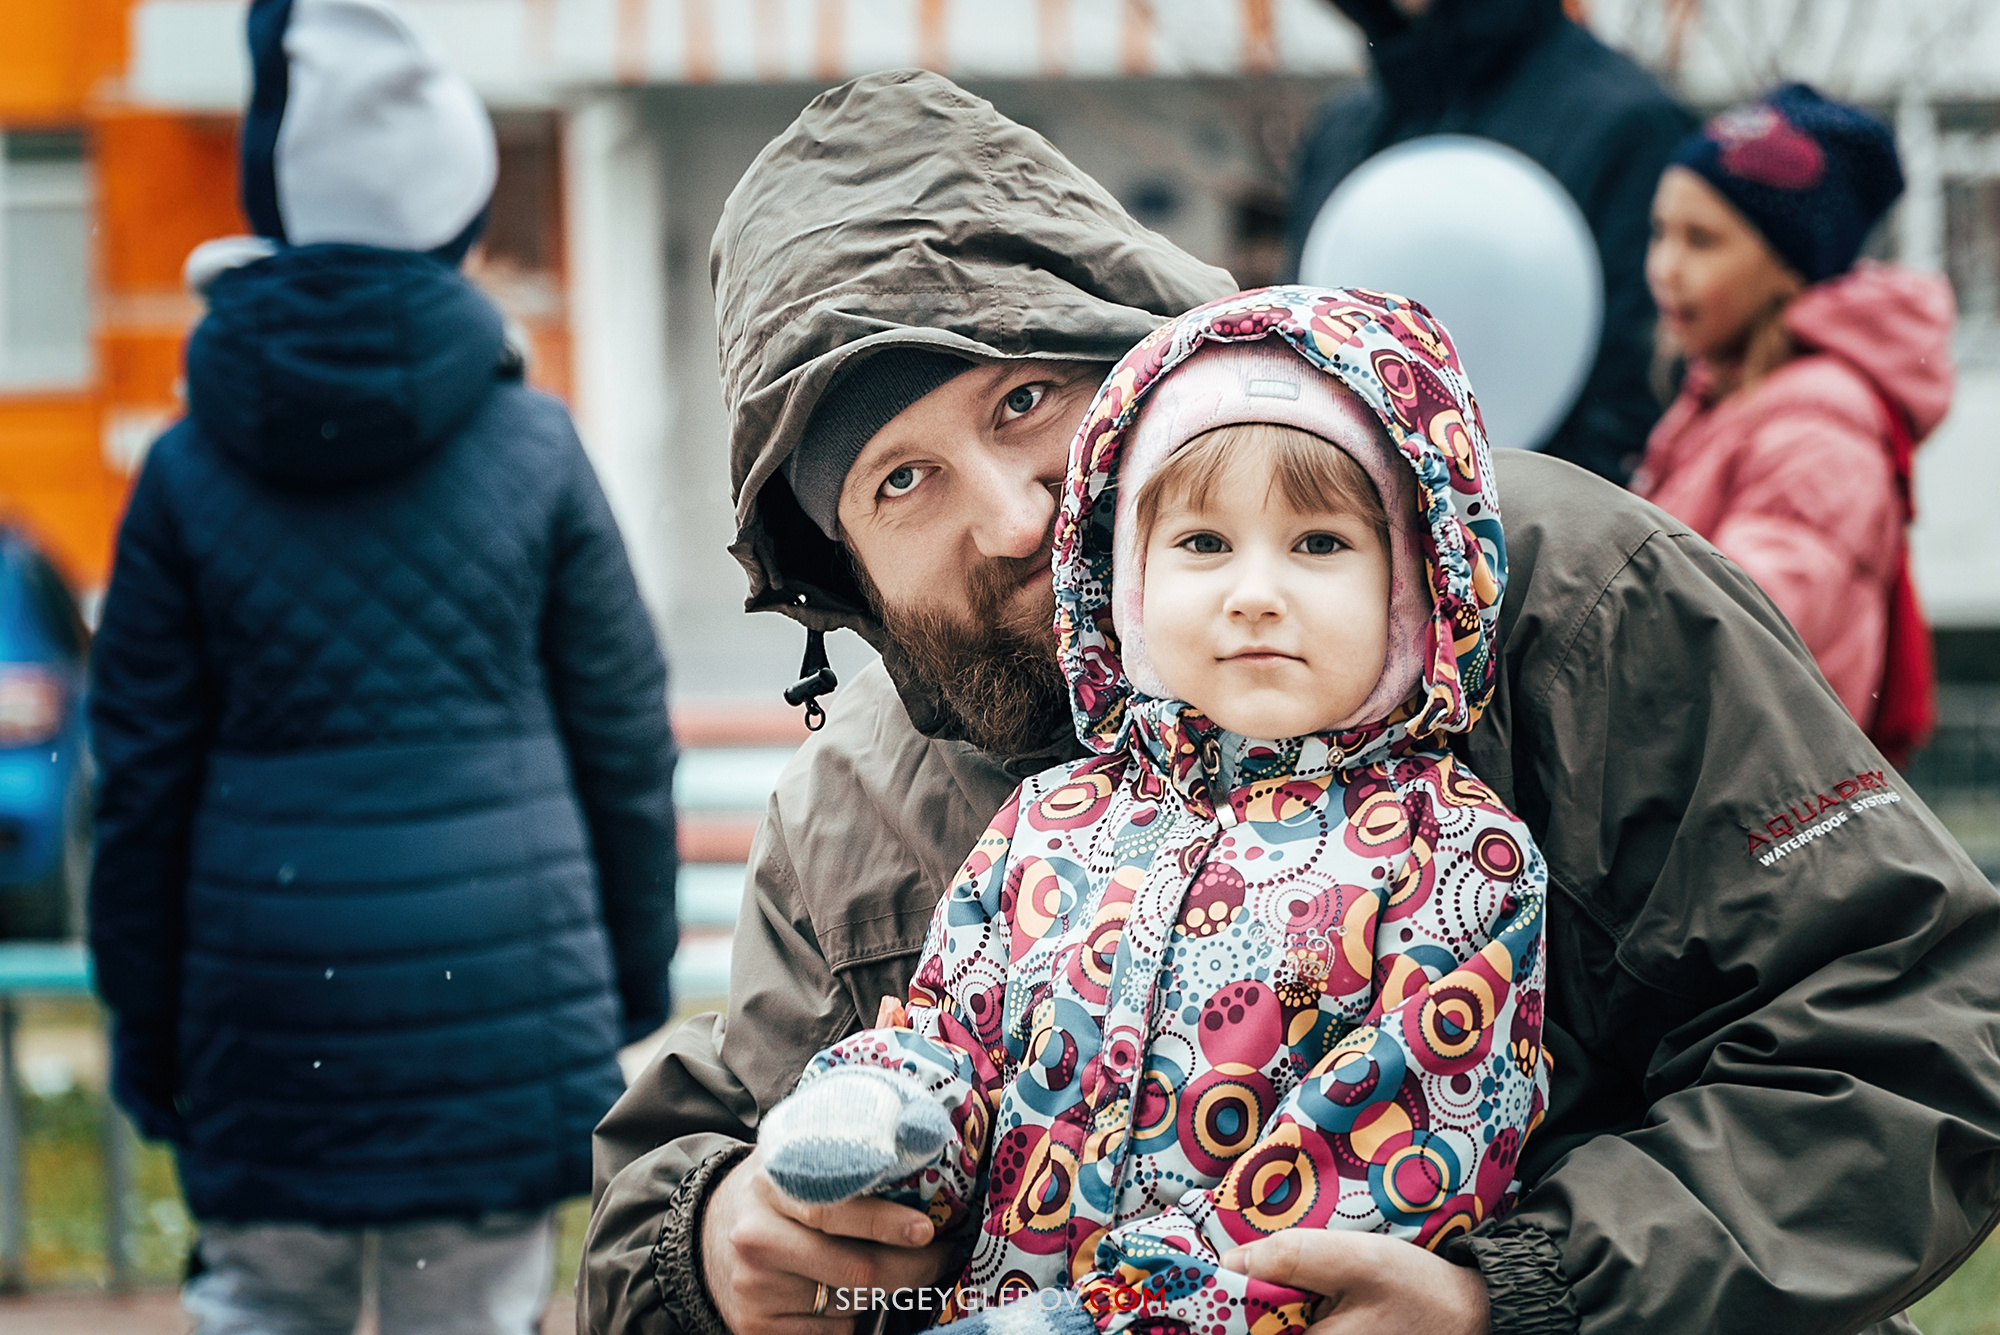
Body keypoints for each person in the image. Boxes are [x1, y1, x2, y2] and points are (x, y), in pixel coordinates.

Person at [582, 71, 2000, 1335]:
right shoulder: (854, 818)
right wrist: (716, 1253)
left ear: (1146, 363)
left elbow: (1904, 1028)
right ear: (845, 574)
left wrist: (1524, 1294)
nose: (1013, 517)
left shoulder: (1550, 594)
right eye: (902, 480)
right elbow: (666, 1192)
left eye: (1025, 401)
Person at [752, 298, 1550, 1335]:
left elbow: (1379, 1165)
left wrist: (1108, 1320)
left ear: (1412, 586)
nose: (1254, 593)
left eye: (1317, 543)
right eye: (1202, 542)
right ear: (1124, 580)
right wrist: (890, 1119)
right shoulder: (1049, 822)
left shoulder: (1456, 858)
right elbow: (956, 1033)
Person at [88, 2, 678, 1330]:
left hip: (258, 1009)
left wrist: (146, 1031)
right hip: (498, 996)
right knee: (466, 1312)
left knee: (262, 1301)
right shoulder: (535, 446)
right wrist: (627, 974)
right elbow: (624, 738)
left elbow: (135, 785)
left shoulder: (182, 470)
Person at [1634, 84, 1954, 767]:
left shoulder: (1817, 422)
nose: (1665, 268)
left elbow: (1726, 640)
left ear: (1787, 266)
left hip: (1749, 801)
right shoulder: (1725, 398)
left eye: (1702, 240)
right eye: (1659, 233)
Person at [1285, 0, 1693, 484]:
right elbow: (1293, 336)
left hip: (1539, 518)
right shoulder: (1342, 129)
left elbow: (1636, 391)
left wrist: (1507, 519)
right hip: (1343, 509)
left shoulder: (1630, 126)